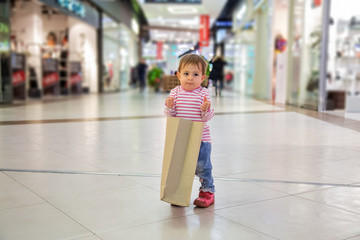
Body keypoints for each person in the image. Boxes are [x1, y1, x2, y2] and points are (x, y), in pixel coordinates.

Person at [164, 54, 215, 208]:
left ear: (203, 77)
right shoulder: (175, 92)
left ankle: (207, 191)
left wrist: (206, 110)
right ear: (179, 75)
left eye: (195, 74)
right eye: (186, 74)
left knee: (202, 167)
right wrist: (169, 106)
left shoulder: (203, 93)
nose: (190, 78)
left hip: (201, 140)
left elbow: (207, 117)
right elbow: (170, 115)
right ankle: (179, 193)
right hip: (180, 138)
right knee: (179, 166)